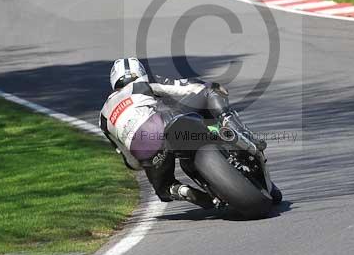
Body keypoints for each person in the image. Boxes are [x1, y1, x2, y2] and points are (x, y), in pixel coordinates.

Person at [99, 57, 265, 209]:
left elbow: (131, 162)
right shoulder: (143, 83)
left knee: (163, 189)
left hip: (145, 151)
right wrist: (211, 87)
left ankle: (182, 190)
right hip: (163, 127)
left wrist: (144, 160)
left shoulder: (103, 117)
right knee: (209, 92)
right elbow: (186, 88)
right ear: (139, 72)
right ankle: (239, 132)